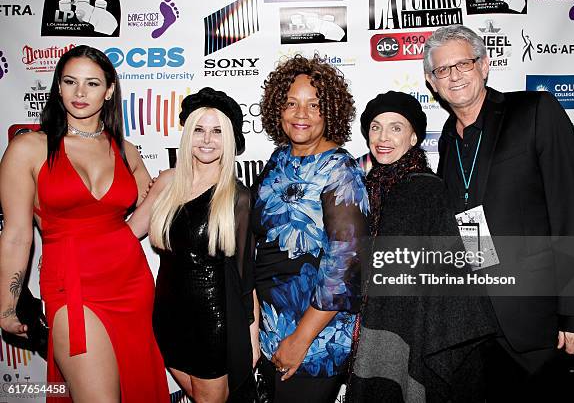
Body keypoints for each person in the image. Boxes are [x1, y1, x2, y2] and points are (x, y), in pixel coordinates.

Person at [423, 25, 574, 402]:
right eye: (442, 70)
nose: (454, 76)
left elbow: (570, 212)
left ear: (484, 65)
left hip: (540, 324)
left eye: (464, 64)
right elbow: (470, 222)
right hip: (477, 330)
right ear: (431, 81)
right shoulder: (448, 140)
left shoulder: (534, 111)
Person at [0, 45, 169, 402]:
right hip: (71, 285)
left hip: (131, 282)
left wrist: (169, 184)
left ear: (108, 91)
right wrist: (6, 303)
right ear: (58, 88)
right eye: (70, 82)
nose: (80, 93)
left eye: (92, 83)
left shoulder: (126, 151)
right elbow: (16, 235)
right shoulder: (29, 147)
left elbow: (144, 222)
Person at [346, 91, 496, 403]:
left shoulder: (427, 190)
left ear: (414, 138)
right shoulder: (366, 189)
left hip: (416, 331)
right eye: (375, 127)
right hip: (375, 327)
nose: (383, 137)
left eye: (396, 128)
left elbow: (461, 272)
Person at [127, 87, 259, 403]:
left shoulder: (237, 197)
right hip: (166, 316)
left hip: (213, 323)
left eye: (217, 131)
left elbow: (245, 278)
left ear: (229, 139)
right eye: (198, 129)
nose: (206, 139)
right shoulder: (167, 183)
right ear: (187, 134)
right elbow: (127, 234)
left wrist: (252, 341)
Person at [253, 54, 369, 402]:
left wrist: (300, 339)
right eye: (291, 103)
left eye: (313, 105)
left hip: (315, 337)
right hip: (272, 329)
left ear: (329, 111)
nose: (301, 114)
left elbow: (345, 267)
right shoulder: (279, 159)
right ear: (279, 109)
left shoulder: (340, 171)